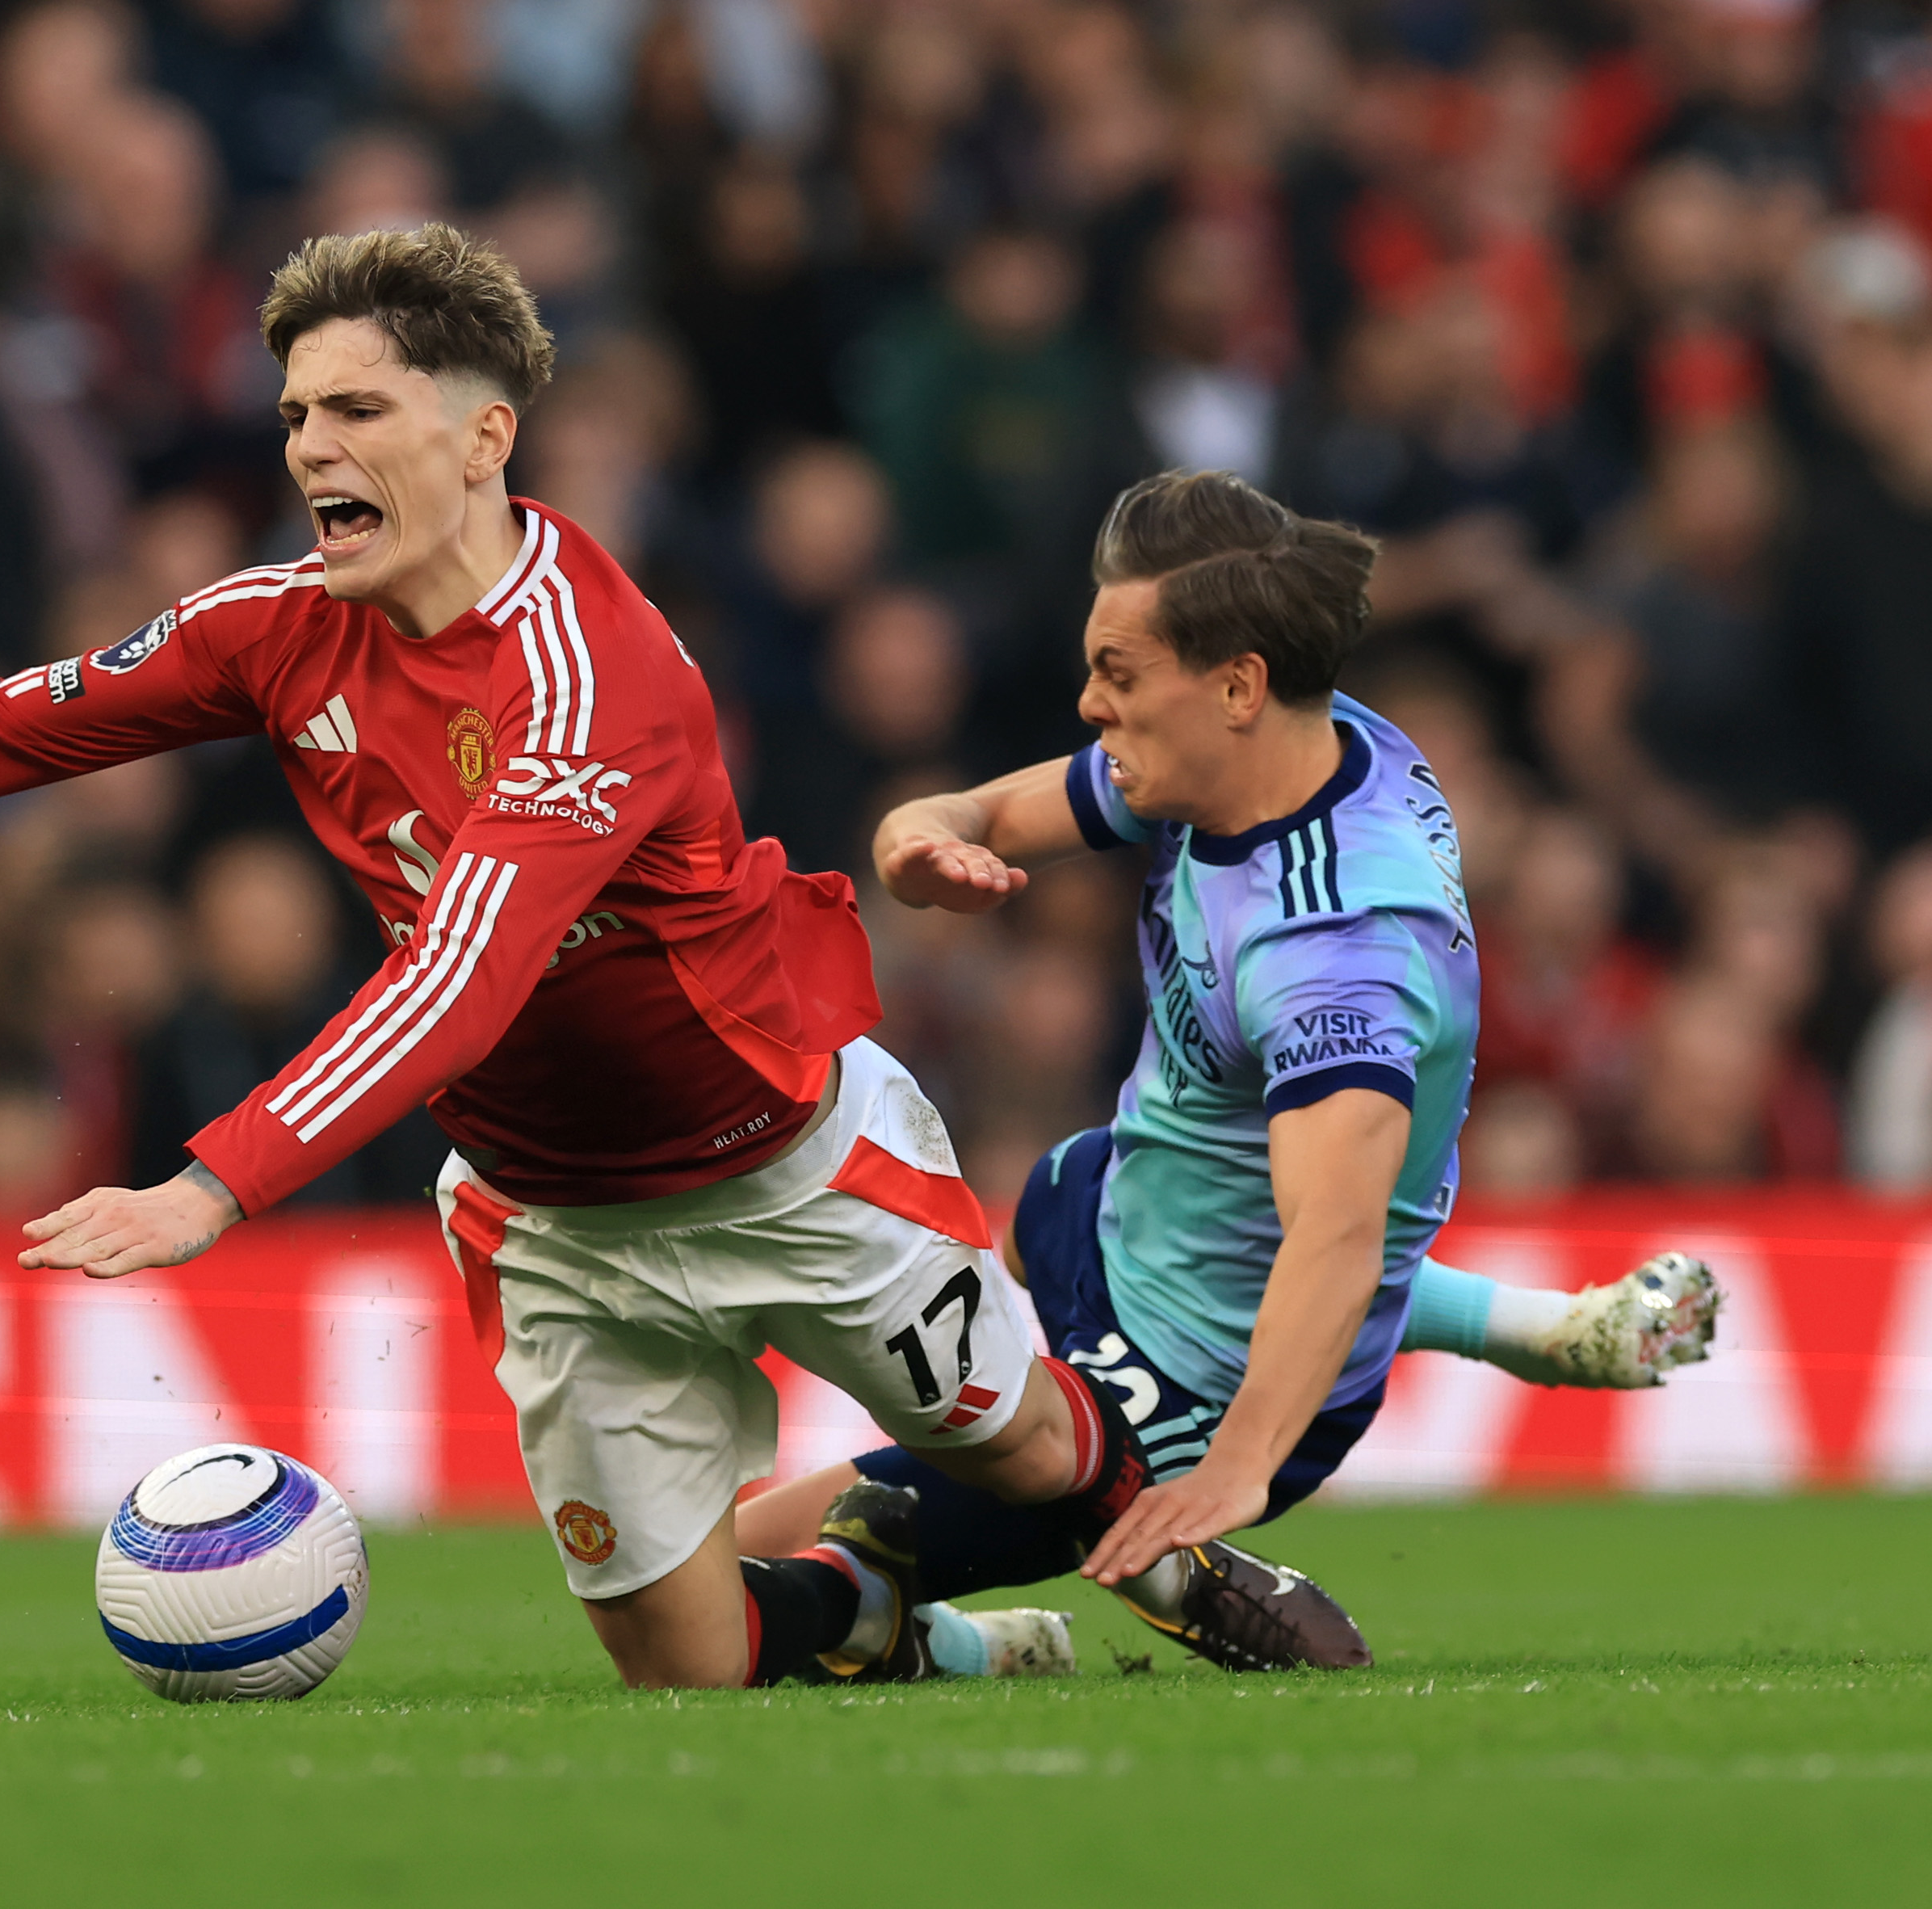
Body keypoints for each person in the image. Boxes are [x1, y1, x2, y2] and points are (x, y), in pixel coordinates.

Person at [0, 224, 1170, 1691]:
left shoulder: (588, 668)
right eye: (293, 416)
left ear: (483, 438)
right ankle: (923, 1637)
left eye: (353, 408)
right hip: (551, 1209)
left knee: (1026, 1449)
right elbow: (9, 728)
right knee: (683, 1664)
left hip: (776, 1156)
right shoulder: (277, 625)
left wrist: (206, 1183)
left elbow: (459, 977)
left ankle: (1196, 1572)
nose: (307, 451)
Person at [736, 471, 1721, 1672]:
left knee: (736, 1577)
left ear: (1237, 684)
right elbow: (986, 810)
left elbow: (1337, 1240)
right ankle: (1549, 1329)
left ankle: (1002, 1619)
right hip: (1104, 1212)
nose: (1089, 703)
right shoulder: (1264, 755)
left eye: (1117, 674)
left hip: (1197, 1377)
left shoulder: (1334, 955)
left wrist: (1237, 1467)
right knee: (1056, 1189)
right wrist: (918, 833)